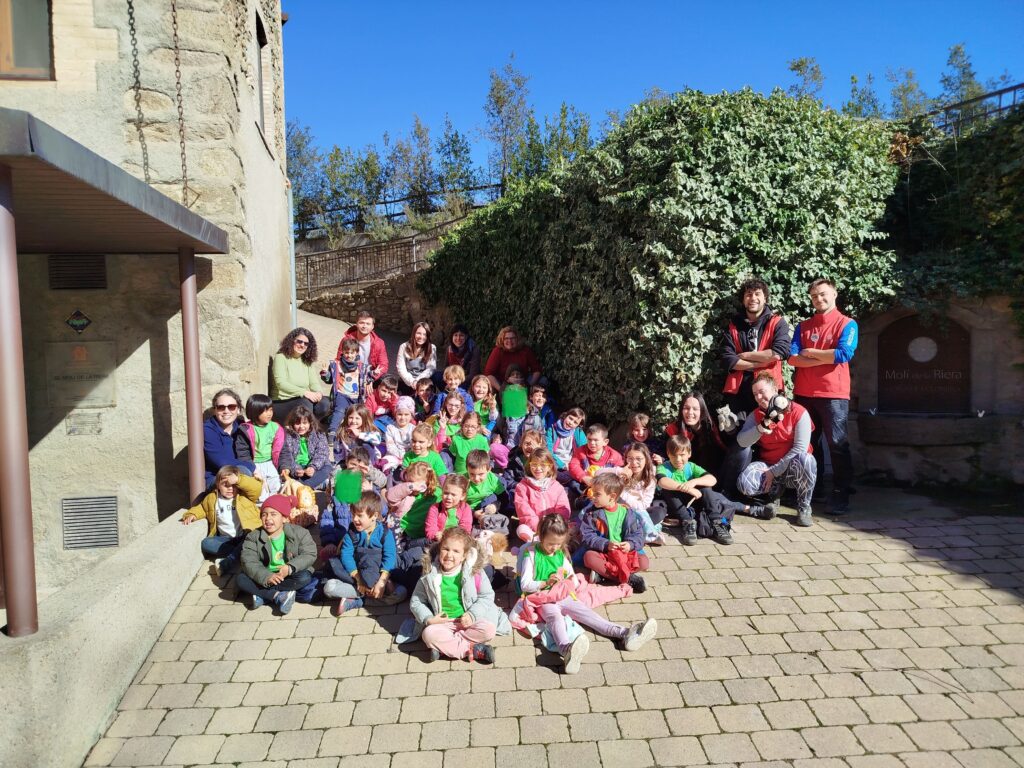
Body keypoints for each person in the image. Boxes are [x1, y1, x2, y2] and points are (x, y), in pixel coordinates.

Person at [515, 514, 658, 674]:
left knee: (589, 615)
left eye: (558, 544)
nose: (554, 548)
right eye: (550, 544)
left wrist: (566, 581)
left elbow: (573, 579)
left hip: (563, 596)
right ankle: (566, 650)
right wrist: (545, 583)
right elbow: (525, 584)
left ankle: (625, 634)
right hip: (542, 599)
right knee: (555, 618)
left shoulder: (560, 554)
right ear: (541, 537)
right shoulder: (531, 554)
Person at [787, 278, 858, 514]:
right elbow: (792, 358)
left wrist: (811, 352)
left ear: (834, 294)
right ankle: (813, 489)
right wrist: (824, 356)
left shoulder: (848, 324)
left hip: (833, 394)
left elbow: (843, 354)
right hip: (804, 393)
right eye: (814, 296)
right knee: (809, 443)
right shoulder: (803, 326)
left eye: (823, 294)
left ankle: (841, 492)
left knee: (837, 444)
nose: (819, 299)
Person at [407, 526, 510, 663]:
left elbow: (486, 596)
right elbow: (416, 601)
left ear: (464, 556)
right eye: (445, 549)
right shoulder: (430, 573)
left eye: (456, 551)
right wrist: (429, 619)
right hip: (443, 622)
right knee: (428, 634)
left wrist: (472, 615)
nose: (449, 555)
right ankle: (474, 650)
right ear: (439, 549)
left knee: (488, 630)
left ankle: (445, 648)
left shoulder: (475, 571)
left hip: (468, 620)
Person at [736, 372, 817, 526]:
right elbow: (741, 441)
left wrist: (774, 471)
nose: (759, 397)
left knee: (807, 459)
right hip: (768, 465)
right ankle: (773, 496)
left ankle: (804, 507)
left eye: (762, 392)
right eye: (755, 394)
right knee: (744, 483)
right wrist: (760, 428)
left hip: (792, 468)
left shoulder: (799, 412)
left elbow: (800, 449)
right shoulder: (756, 415)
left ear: (775, 390)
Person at [657, 435, 752, 546]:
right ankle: (688, 523)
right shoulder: (663, 467)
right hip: (675, 506)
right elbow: (662, 481)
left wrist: (694, 482)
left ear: (689, 453)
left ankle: (716, 522)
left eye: (682, 455)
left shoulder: (691, 467)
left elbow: (712, 480)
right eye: (674, 455)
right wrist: (688, 489)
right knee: (668, 489)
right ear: (668, 454)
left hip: (694, 503)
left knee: (705, 487)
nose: (678, 459)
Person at [324, 491, 407, 616]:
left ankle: (357, 601)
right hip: (356, 575)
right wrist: (359, 580)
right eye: (353, 515)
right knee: (329, 588)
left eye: (359, 515)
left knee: (402, 592)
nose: (355, 519)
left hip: (378, 574)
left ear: (374, 516)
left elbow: (390, 556)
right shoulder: (351, 534)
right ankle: (369, 593)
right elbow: (346, 555)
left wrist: (382, 582)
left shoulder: (385, 533)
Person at [721, 278, 792, 418]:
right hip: (738, 391)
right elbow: (728, 359)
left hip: (768, 390)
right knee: (740, 430)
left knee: (770, 427)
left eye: (757, 294)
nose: (753, 298)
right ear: (743, 300)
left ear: (765, 298)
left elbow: (779, 352)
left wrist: (746, 355)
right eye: (748, 294)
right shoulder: (733, 325)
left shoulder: (777, 322)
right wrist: (759, 364)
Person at [237, 495, 317, 614]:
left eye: (273, 514)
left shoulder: (300, 533)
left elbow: (309, 554)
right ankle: (277, 596)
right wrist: (266, 576)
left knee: (305, 577)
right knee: (241, 579)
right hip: (266, 575)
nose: (268, 518)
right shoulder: (253, 537)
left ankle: (263, 595)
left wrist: (290, 567)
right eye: (264, 515)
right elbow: (248, 560)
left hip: (288, 575)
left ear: (284, 518)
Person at [180, 466, 262, 575]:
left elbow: (257, 488)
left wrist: (239, 479)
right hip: (225, 539)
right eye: (225, 485)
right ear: (218, 484)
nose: (230, 488)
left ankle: (227, 563)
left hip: (245, 535)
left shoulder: (244, 496)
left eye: (234, 485)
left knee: (249, 540)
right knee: (206, 543)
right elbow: (202, 508)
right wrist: (192, 514)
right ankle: (242, 553)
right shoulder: (211, 498)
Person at [579, 473, 649, 592]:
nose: (592, 497)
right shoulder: (591, 514)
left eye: (597, 494)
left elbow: (638, 534)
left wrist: (630, 544)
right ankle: (629, 579)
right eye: (592, 493)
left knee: (644, 562)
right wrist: (606, 544)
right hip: (604, 553)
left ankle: (604, 576)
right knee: (589, 557)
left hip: (624, 553)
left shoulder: (627, 512)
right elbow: (587, 536)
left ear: (612, 497)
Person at [271, 327, 330, 424]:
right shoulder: (281, 357)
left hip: (302, 399)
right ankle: (306, 428)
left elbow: (314, 383)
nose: (302, 345)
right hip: (281, 402)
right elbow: (281, 384)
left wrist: (319, 393)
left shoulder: (307, 361)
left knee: (324, 403)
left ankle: (308, 426)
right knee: (305, 404)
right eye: (299, 341)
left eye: (306, 343)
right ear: (292, 341)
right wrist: (304, 392)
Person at [514, 448, 571, 543]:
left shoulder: (557, 487)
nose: (538, 468)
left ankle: (551, 540)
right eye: (534, 464)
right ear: (529, 465)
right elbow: (524, 510)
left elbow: (563, 508)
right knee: (522, 529)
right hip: (534, 528)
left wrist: (553, 524)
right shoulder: (522, 486)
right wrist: (538, 526)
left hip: (553, 527)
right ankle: (535, 541)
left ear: (550, 467)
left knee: (571, 526)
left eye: (543, 465)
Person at [235, 394, 284, 502]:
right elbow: (243, 452)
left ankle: (274, 505)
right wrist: (253, 469)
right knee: (261, 491)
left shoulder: (276, 427)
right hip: (254, 464)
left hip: (270, 463)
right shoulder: (245, 430)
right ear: (255, 412)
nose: (269, 413)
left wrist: (284, 466)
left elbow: (282, 449)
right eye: (265, 411)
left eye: (271, 410)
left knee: (275, 486)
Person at [203, 388, 255, 489]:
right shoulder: (208, 429)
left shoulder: (241, 426)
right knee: (242, 472)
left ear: (238, 409)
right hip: (218, 477)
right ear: (215, 410)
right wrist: (253, 468)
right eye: (221, 407)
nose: (226, 411)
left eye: (231, 407)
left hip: (241, 474)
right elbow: (222, 462)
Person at [322, 337, 369, 438]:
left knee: (354, 415)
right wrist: (325, 374)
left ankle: (352, 432)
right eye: (347, 352)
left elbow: (367, 378)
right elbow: (330, 380)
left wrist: (373, 375)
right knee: (340, 411)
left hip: (356, 396)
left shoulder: (361, 366)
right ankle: (332, 431)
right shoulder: (337, 365)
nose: (349, 355)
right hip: (342, 394)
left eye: (352, 353)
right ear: (342, 352)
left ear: (357, 353)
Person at [278, 405, 332, 490]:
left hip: (315, 467)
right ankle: (317, 484)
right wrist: (296, 469)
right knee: (286, 471)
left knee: (327, 468)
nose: (301, 426)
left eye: (305, 423)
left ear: (310, 423)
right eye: (297, 423)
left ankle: (299, 486)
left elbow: (322, 453)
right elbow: (287, 456)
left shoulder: (319, 434)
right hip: (297, 468)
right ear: (292, 423)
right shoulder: (287, 435)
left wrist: (313, 467)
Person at [568, 423, 624, 500]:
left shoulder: (614, 456)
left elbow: (620, 473)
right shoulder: (580, 451)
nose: (592, 443)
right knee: (573, 484)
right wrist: (584, 478)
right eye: (589, 439)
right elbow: (573, 466)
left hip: (604, 487)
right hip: (586, 483)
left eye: (596, 440)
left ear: (605, 442)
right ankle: (583, 500)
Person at [484, 326, 542, 391]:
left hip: (523, 382)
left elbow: (537, 370)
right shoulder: (498, 351)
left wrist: (529, 386)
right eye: (506, 338)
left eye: (512, 338)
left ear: (517, 339)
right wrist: (501, 390)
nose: (509, 341)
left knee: (543, 380)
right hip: (503, 383)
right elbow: (488, 374)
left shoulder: (525, 350)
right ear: (502, 340)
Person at [341, 310, 389, 384]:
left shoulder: (379, 343)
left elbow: (383, 365)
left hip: (369, 377)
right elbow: (339, 359)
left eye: (368, 324)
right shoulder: (346, 340)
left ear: (372, 326)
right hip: (348, 375)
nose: (364, 326)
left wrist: (371, 379)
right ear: (356, 324)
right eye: (361, 323)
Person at [425, 474, 473, 541]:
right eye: (446, 493)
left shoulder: (465, 508)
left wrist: (446, 536)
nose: (448, 497)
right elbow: (430, 530)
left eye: (453, 495)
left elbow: (465, 529)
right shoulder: (435, 508)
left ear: (462, 496)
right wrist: (436, 536)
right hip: (437, 541)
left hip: (457, 541)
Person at [442, 411, 490, 475]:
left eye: (473, 427)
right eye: (466, 426)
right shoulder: (456, 439)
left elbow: (486, 459)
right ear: (462, 426)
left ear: (478, 427)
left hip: (477, 475)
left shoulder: (482, 440)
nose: (469, 429)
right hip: (461, 475)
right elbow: (453, 454)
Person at [396, 321, 437, 395]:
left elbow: (431, 368)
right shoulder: (403, 347)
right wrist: (412, 381)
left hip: (423, 381)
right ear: (414, 333)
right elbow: (400, 368)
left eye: (424, 334)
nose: (421, 337)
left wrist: (418, 381)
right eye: (418, 333)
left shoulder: (432, 348)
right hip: (407, 380)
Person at [437, 323, 481, 388]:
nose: (458, 338)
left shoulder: (473, 350)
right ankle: (447, 392)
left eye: (461, 335)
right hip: (452, 377)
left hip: (466, 379)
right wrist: (449, 380)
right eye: (455, 335)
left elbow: (473, 375)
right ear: (452, 337)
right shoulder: (449, 349)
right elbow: (446, 367)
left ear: (466, 337)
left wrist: (455, 382)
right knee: (436, 376)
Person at [383, 396, 417, 474]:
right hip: (394, 455)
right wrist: (401, 456)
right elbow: (390, 447)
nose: (402, 417)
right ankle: (391, 475)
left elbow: (414, 445)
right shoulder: (390, 428)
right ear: (395, 414)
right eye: (400, 414)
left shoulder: (414, 429)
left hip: (410, 456)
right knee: (387, 463)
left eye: (406, 414)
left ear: (411, 415)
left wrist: (407, 456)